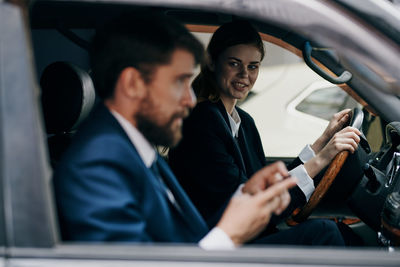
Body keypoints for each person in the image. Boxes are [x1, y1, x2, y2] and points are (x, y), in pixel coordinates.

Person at [53, 13, 345, 250]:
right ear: (132, 84)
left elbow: (187, 232)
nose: (190, 99)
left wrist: (246, 198)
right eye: (178, 82)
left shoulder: (134, 149)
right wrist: (228, 235)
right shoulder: (97, 166)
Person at [168, 20, 361, 234]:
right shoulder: (201, 122)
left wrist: (323, 141)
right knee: (327, 233)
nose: (245, 75)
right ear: (212, 62)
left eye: (253, 66)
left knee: (335, 231)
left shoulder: (244, 122)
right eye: (234, 63)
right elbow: (253, 204)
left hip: (251, 236)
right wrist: (324, 157)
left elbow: (268, 185)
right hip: (226, 244)